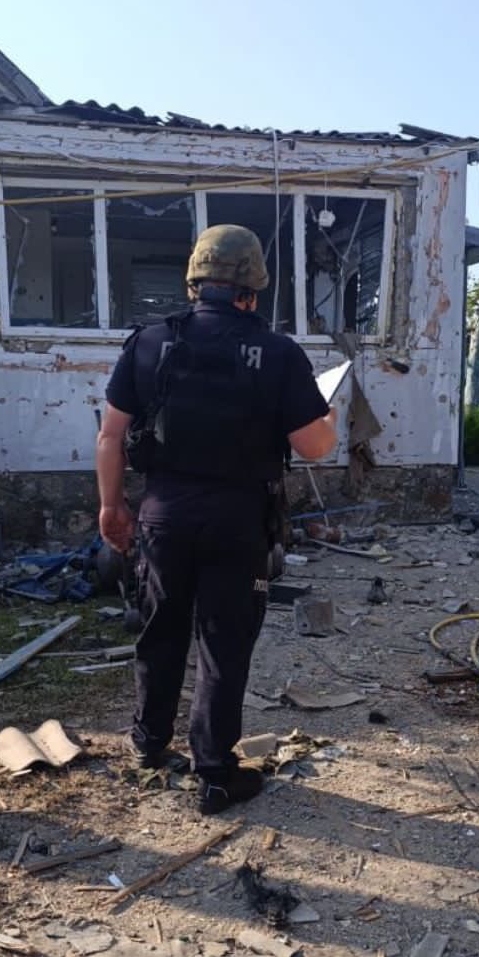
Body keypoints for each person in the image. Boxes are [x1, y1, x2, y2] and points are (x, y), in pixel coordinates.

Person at [96, 224, 337, 815]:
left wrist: (111, 506)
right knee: (223, 645)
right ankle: (215, 775)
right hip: (237, 522)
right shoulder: (278, 353)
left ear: (193, 282)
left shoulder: (149, 342)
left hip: (163, 518)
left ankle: (149, 744)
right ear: (252, 288)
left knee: (161, 631)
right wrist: (328, 415)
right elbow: (314, 447)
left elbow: (111, 435)